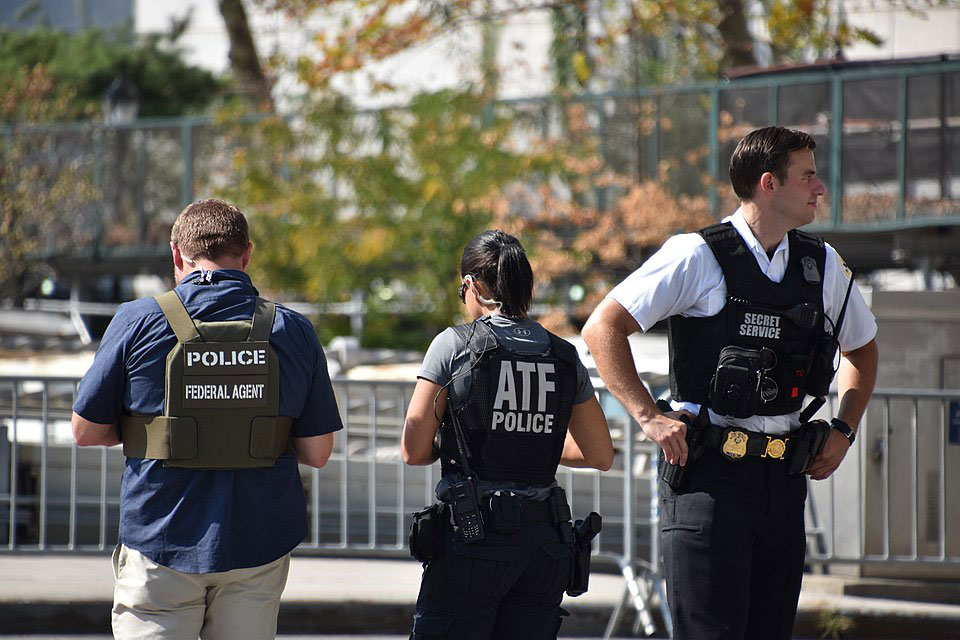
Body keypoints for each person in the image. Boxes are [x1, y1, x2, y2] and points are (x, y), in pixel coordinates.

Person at [582, 126, 878, 639]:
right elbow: (603, 327)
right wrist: (649, 416)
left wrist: (845, 429)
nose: (819, 187)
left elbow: (863, 349)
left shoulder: (821, 264)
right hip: (708, 481)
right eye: (807, 176)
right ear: (769, 183)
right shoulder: (697, 254)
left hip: (784, 481)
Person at [71, 198, 342, 639]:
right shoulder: (293, 330)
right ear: (247, 255)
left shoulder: (137, 321)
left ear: (177, 255)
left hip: (161, 538)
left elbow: (84, 430)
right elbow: (317, 451)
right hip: (258, 542)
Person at [401, 230, 613, 640]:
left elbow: (413, 449)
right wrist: (527, 442)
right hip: (545, 546)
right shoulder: (563, 355)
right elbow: (600, 455)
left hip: (474, 541)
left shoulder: (454, 345)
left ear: (473, 286)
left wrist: (475, 439)